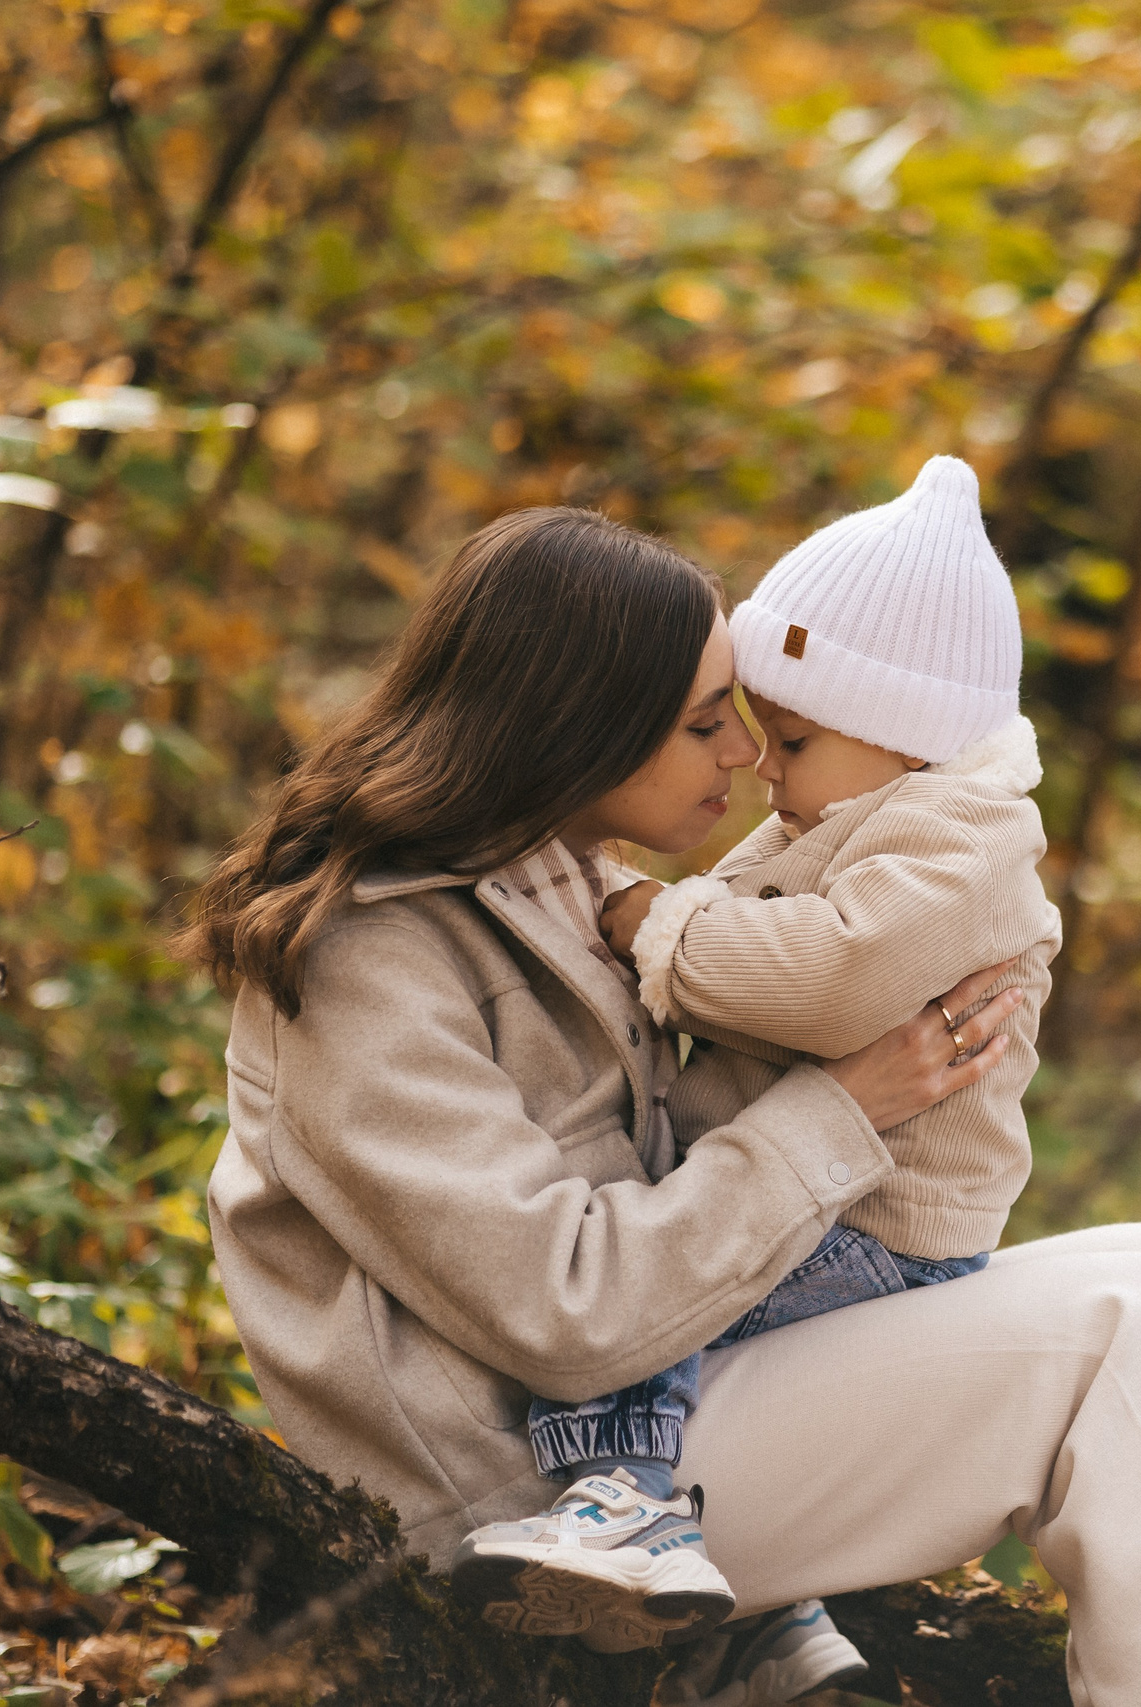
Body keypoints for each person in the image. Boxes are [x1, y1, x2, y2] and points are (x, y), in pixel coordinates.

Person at [191, 500, 1141, 1707]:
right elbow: (562, 1310)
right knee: (1121, 1319)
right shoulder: (364, 956)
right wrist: (845, 1105)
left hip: (657, 1406)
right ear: (575, 728)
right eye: (704, 723)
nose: (743, 755)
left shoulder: (561, 884)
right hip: (546, 1498)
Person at [451, 457, 1062, 1658]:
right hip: (835, 1197)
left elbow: (828, 979)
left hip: (873, 1224)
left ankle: (619, 1513)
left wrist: (650, 923)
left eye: (789, 738)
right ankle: (775, 1636)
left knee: (662, 1314)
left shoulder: (957, 836)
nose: (760, 769)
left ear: (903, 735)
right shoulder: (857, 816)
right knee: (698, 1311)